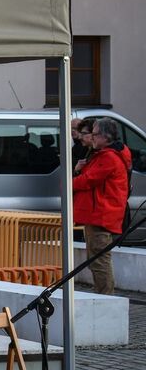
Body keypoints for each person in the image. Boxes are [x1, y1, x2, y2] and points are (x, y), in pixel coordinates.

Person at [74, 117, 132, 295]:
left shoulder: (108, 158)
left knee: (99, 259)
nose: (91, 137)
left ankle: (105, 297)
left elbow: (87, 181)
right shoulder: (107, 155)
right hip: (101, 214)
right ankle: (102, 293)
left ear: (106, 137)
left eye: (95, 134)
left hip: (101, 215)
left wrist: (73, 178)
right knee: (97, 258)